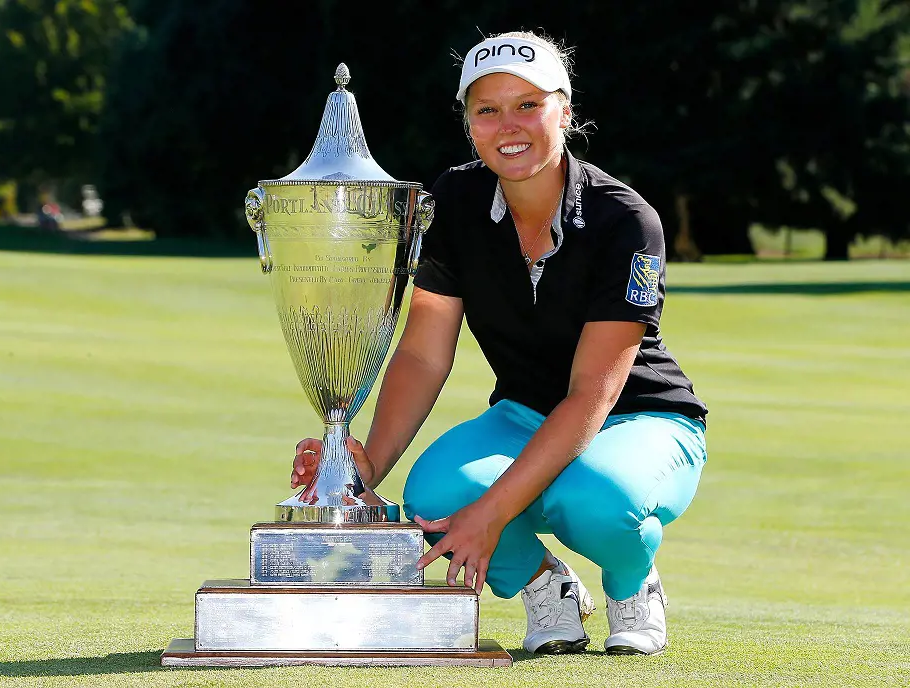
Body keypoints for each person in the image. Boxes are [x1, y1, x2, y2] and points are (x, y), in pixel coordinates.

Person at [291, 29, 708, 657]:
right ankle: (547, 590)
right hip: (523, 412)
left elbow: (593, 393)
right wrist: (365, 466)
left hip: (641, 416)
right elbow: (423, 351)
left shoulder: (625, 221)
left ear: (564, 110)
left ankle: (632, 585)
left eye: (527, 104)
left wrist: (490, 514)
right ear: (468, 123)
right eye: (487, 109)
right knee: (432, 496)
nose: (507, 124)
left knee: (592, 497)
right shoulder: (453, 203)